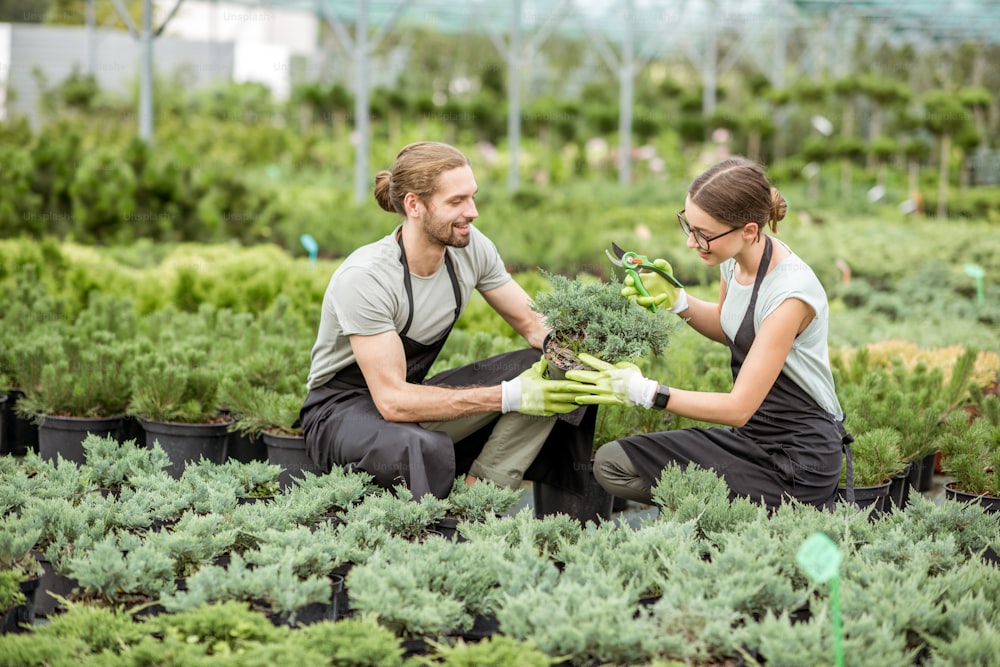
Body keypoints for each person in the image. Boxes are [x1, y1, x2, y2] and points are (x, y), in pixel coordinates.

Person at [298, 141, 599, 500]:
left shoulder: (471, 248)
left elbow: (535, 325)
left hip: (410, 398)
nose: (472, 211)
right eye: (456, 201)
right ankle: (431, 530)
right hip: (342, 413)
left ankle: (480, 494)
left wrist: (593, 353)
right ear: (414, 205)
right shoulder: (366, 278)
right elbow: (391, 400)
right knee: (414, 448)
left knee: (554, 366)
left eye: (472, 197)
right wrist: (508, 397)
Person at [569, 156, 852, 510]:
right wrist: (678, 301)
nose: (691, 242)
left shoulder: (789, 295)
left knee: (685, 490)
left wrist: (644, 391)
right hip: (750, 439)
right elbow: (728, 325)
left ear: (749, 230)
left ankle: (739, 522)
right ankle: (726, 518)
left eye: (703, 234)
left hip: (795, 459)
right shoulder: (736, 261)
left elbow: (738, 408)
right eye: (688, 226)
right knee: (613, 463)